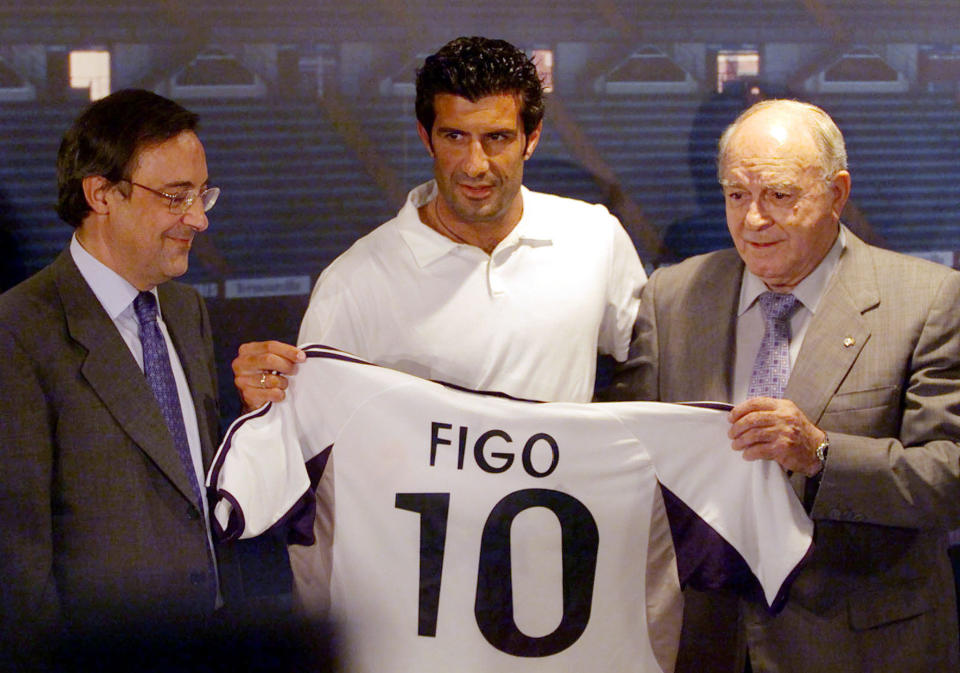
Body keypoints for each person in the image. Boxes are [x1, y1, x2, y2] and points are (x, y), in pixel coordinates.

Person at [609, 99, 960, 671]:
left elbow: (950, 476)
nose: (753, 220)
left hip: (860, 646)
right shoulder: (672, 296)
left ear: (837, 193)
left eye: (778, 195)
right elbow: (627, 454)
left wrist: (821, 455)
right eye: (737, 196)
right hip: (707, 641)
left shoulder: (928, 301)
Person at [232, 35, 645, 408]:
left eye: (496, 138)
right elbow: (314, 431)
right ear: (426, 137)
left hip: (561, 495)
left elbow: (655, 372)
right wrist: (265, 403)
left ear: (531, 139)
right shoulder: (354, 282)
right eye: (454, 137)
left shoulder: (595, 238)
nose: (474, 165)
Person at [0, 89, 231, 668]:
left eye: (202, 193)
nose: (198, 218)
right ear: (100, 193)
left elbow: (192, 492)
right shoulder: (18, 332)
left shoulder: (185, 311)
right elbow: (17, 563)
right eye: (176, 196)